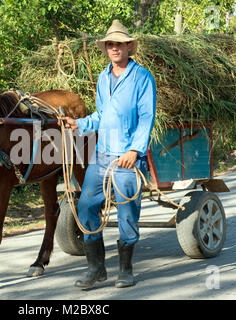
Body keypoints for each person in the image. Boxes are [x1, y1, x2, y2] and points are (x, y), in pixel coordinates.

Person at [60, 20, 156, 289]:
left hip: (127, 158)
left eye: (120, 44)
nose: (115, 48)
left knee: (127, 213)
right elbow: (102, 115)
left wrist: (134, 149)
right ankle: (96, 269)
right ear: (107, 48)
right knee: (86, 207)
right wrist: (80, 124)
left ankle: (125, 270)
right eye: (110, 44)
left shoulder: (142, 77)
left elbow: (147, 116)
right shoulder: (103, 78)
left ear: (129, 46)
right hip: (102, 157)